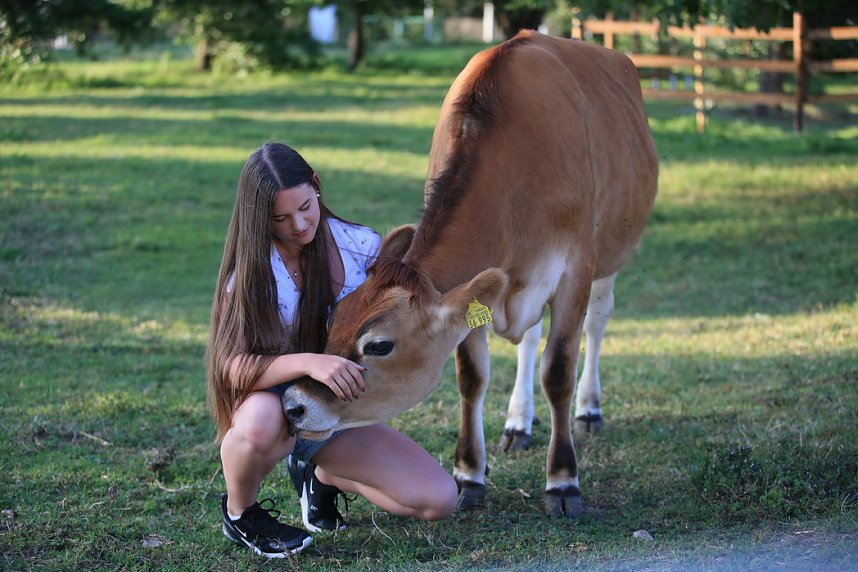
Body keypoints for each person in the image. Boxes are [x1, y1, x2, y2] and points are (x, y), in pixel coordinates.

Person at [205, 142, 459, 558]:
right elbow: (231, 366)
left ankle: (321, 476)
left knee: (439, 500)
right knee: (260, 422)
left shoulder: (360, 246)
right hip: (273, 405)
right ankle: (241, 514)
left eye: (305, 207)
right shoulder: (250, 273)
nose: (299, 224)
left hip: (335, 409)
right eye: (280, 218)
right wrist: (310, 363)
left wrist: (479, 311)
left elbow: (414, 313)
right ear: (258, 217)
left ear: (317, 186)